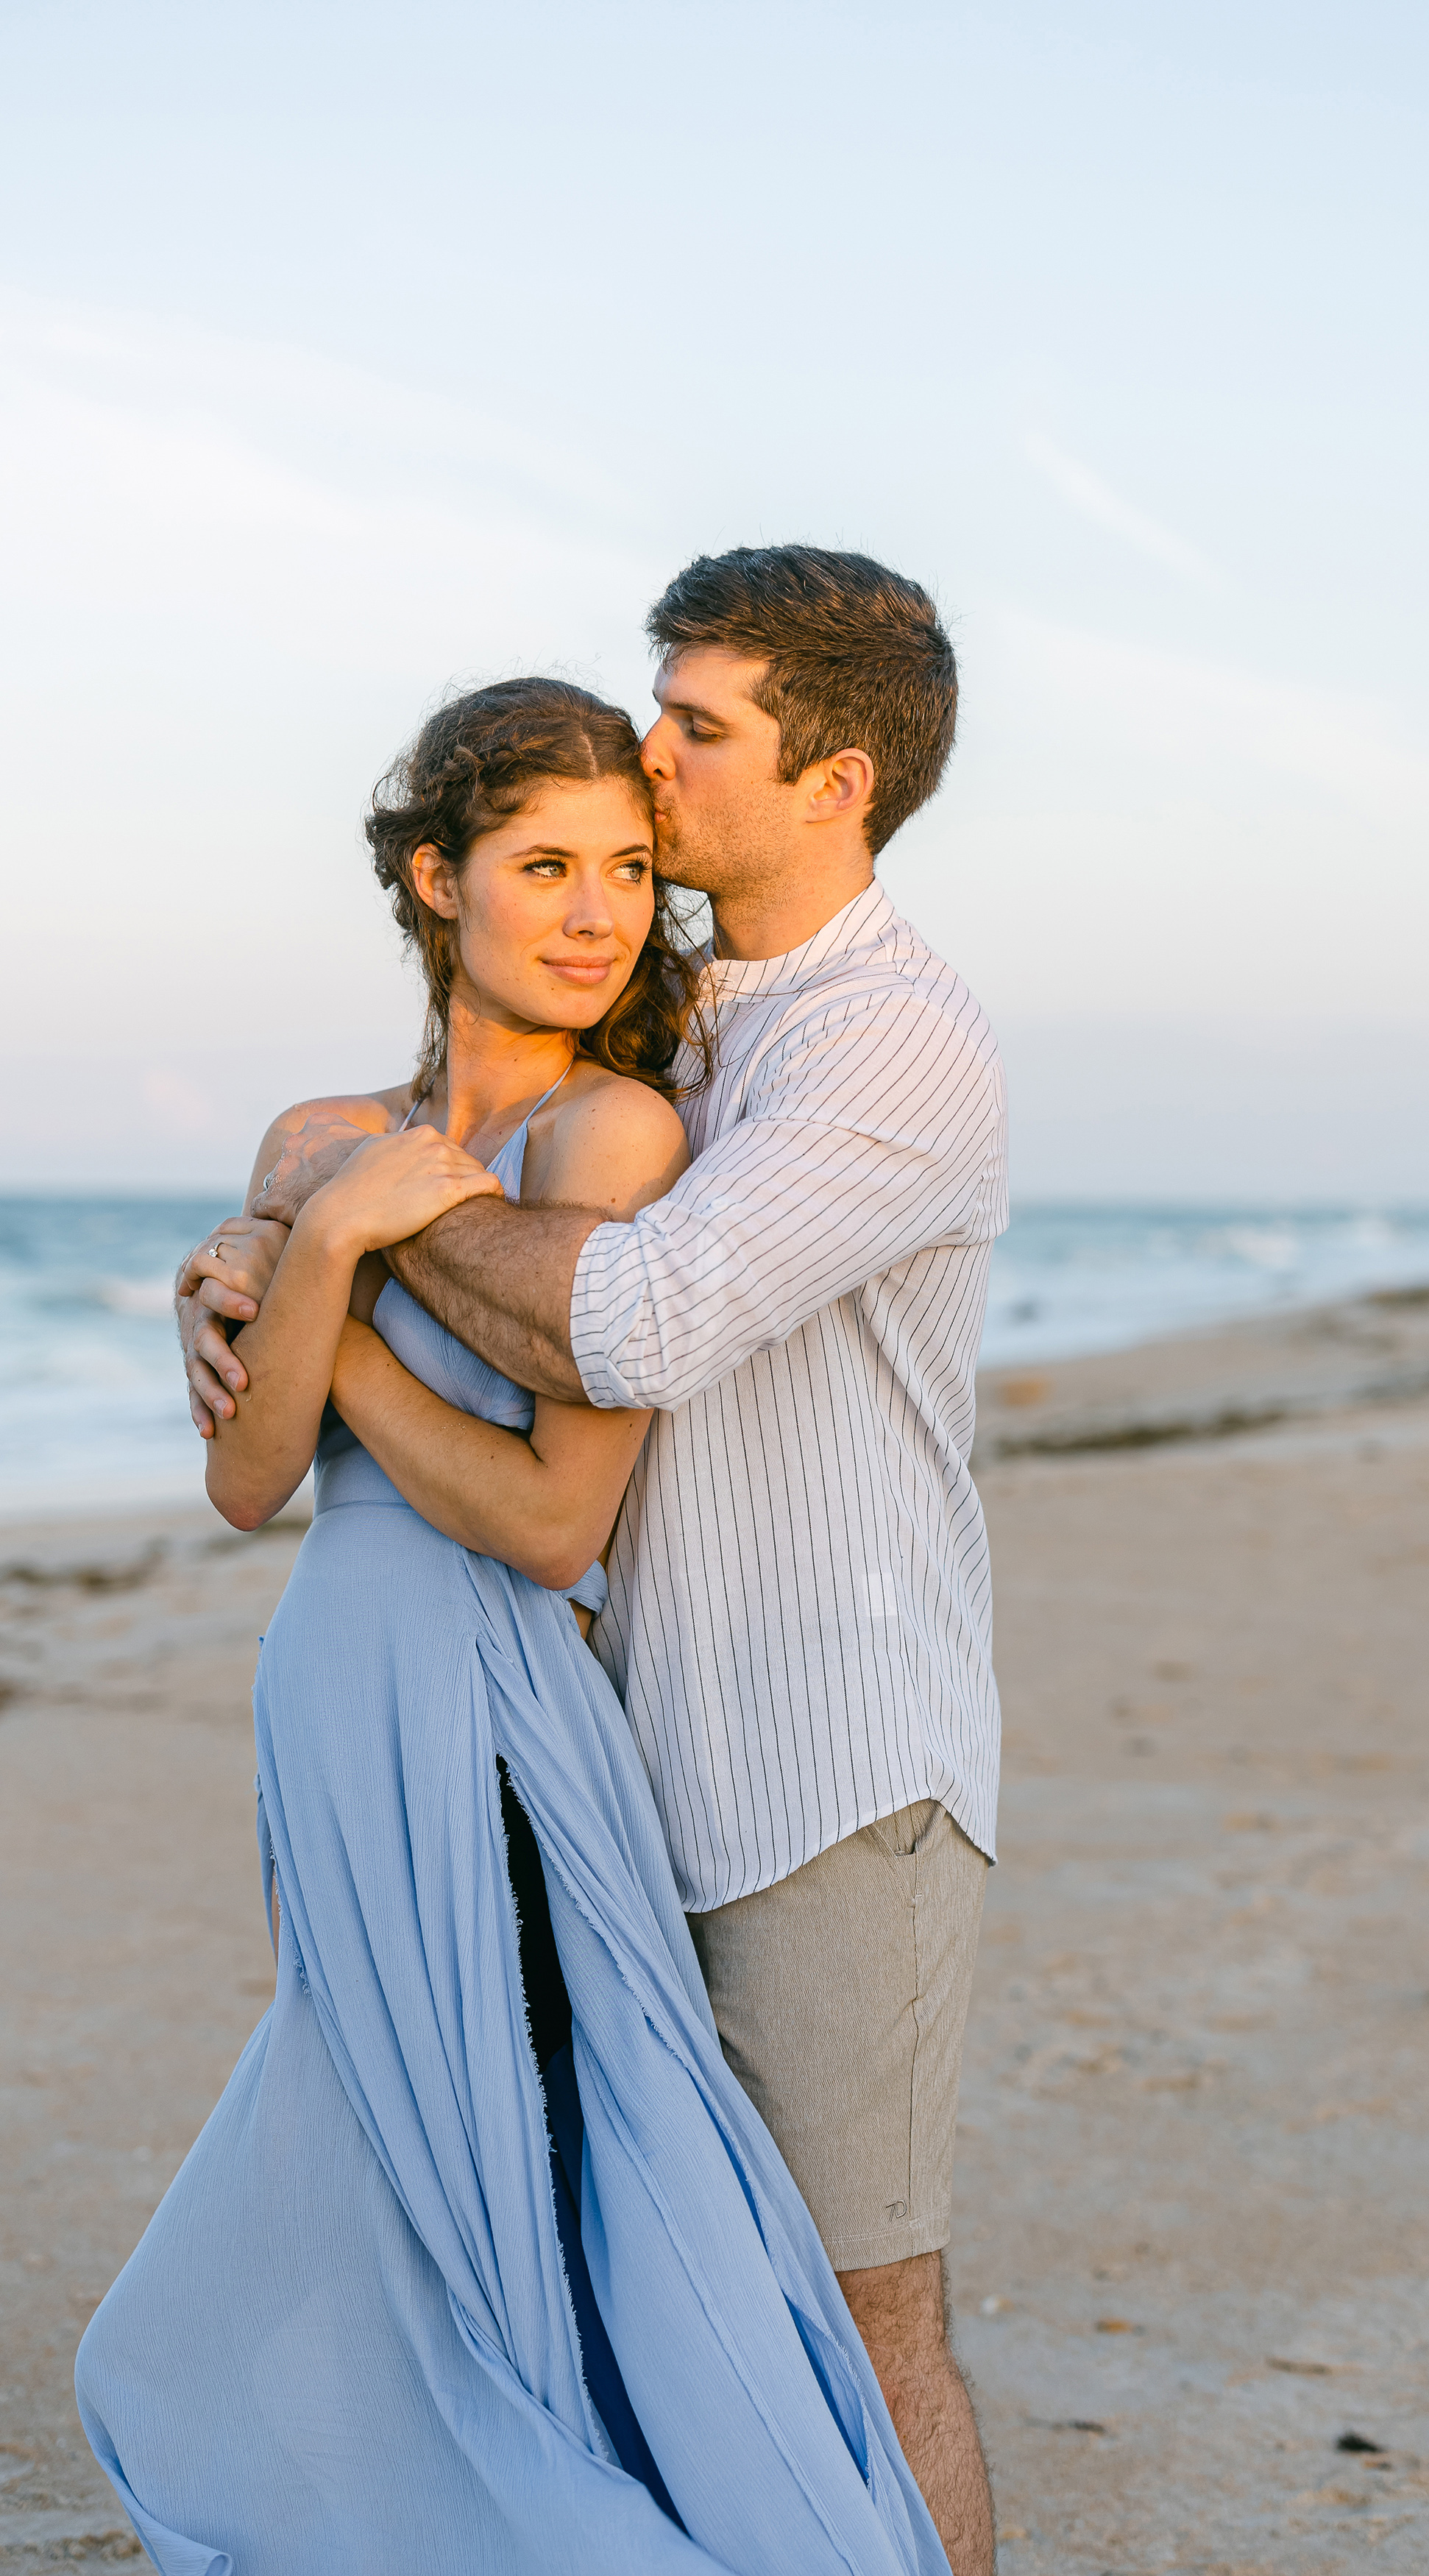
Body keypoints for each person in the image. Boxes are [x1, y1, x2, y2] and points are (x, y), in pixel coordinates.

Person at [178, 548, 1008, 2576]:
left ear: (833, 777)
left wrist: (333, 1215)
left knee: (853, 2307)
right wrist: (267, 1244)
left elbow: (627, 1324)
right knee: (587, 2260)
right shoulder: (694, 1017)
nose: (650, 763)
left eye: (697, 726)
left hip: (826, 1762)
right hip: (619, 1739)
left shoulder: (891, 1047)